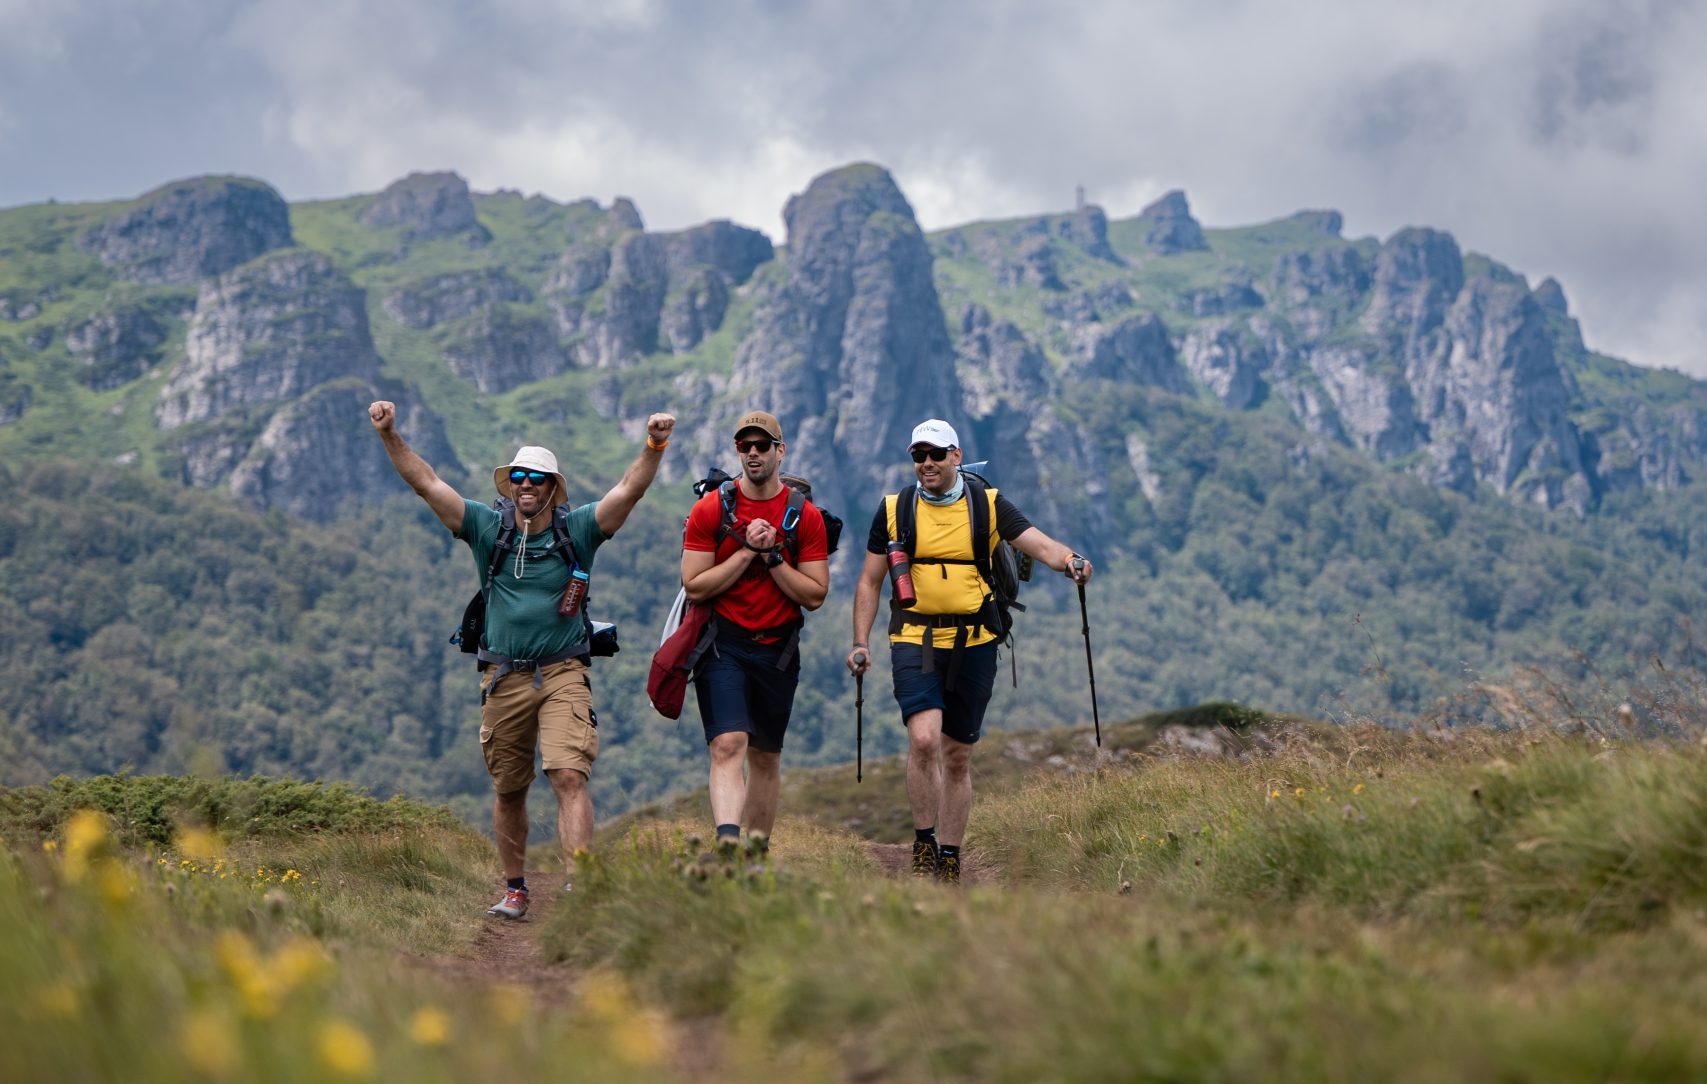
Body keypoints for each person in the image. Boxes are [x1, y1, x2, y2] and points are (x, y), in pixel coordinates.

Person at [369, 399, 675, 918]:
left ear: (553, 487)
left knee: (568, 774)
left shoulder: (577, 529)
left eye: (536, 478)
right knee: (509, 789)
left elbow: (629, 490)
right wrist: (389, 434)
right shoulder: (488, 529)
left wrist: (654, 444)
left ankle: (583, 888)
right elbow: (426, 482)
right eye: (517, 477)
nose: (525, 485)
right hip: (503, 676)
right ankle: (515, 889)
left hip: (563, 670)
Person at [847, 419, 1092, 883]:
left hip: (977, 641)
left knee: (957, 754)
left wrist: (1070, 562)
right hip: (914, 639)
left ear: (956, 456)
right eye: (918, 455)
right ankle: (924, 841)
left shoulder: (988, 505)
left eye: (936, 455)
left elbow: (1036, 543)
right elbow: (870, 581)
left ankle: (952, 854)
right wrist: (860, 642)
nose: (926, 464)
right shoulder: (894, 509)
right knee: (923, 740)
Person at [680, 411, 830, 853]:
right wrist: (748, 550)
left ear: (780, 452)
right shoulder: (710, 509)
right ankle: (729, 845)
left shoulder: (805, 517)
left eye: (762, 445)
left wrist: (773, 558)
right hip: (722, 644)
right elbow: (694, 584)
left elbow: (816, 594)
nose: (752, 453)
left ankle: (756, 855)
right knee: (728, 744)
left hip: (778, 650)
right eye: (744, 445)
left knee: (765, 756)